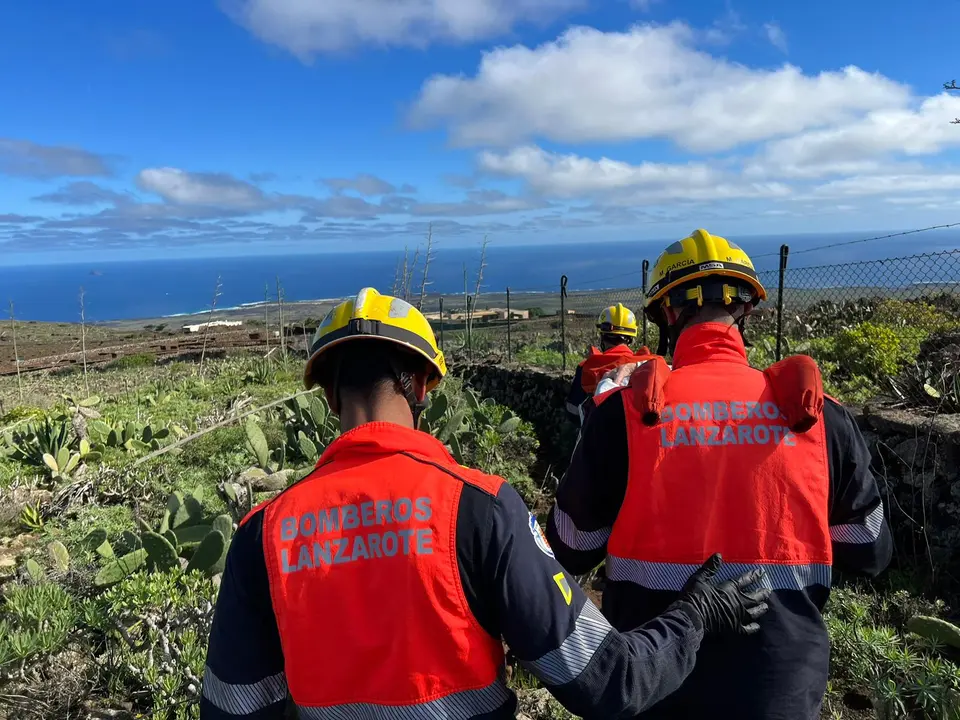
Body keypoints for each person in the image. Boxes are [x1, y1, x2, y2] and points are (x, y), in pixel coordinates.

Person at [200, 287, 771, 720]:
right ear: (424, 386)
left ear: (328, 396)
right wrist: (696, 615)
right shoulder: (480, 508)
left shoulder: (262, 534)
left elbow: (231, 708)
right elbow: (606, 681)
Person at [546, 229, 893, 720]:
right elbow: (870, 550)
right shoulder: (818, 416)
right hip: (780, 687)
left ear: (667, 314)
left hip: (655, 686)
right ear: (746, 310)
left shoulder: (624, 414)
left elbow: (571, 548)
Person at [565, 302, 651, 420]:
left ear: (602, 336)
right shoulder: (648, 364)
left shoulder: (586, 367)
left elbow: (573, 411)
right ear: (631, 339)